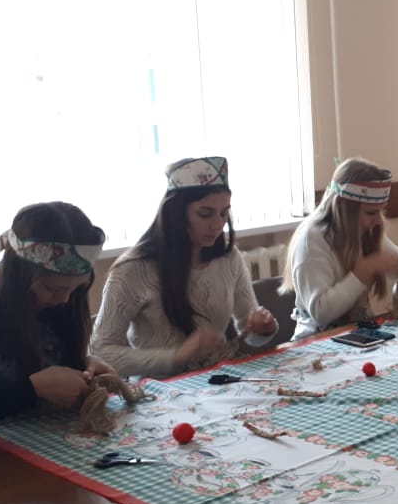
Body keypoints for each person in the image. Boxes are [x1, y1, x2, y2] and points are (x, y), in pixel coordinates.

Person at [91, 157, 278, 378]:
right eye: (205, 214)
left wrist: (263, 329)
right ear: (175, 212)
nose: (217, 225)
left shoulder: (228, 258)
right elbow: (101, 353)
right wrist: (177, 356)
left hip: (216, 380)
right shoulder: (133, 269)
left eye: (224, 213)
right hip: (157, 388)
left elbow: (249, 332)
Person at [0, 202, 116, 440]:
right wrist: (31, 390)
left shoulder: (66, 300)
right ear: (19, 276)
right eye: (52, 289)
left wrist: (84, 367)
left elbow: (53, 361)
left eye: (77, 288)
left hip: (55, 438)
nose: (65, 299)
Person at [282, 158, 398, 340]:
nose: (378, 220)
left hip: (356, 333)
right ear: (344, 208)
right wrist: (365, 270)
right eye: (371, 212)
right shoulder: (311, 239)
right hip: (315, 341)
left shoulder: (362, 229)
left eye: (380, 211)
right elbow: (321, 313)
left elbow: (396, 260)